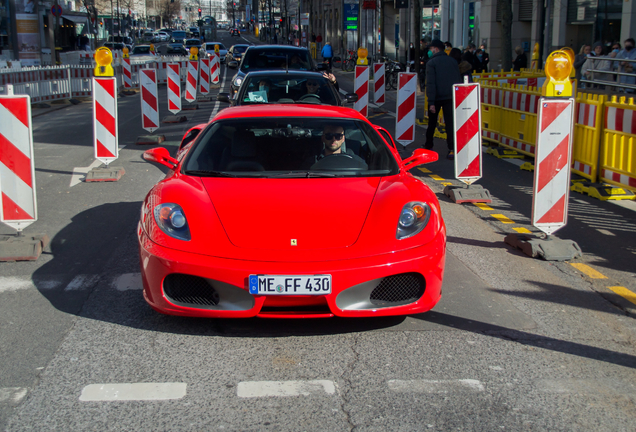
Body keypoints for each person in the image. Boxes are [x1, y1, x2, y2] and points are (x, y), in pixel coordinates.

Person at [425, 39, 462, 160]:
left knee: (432, 123)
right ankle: (452, 148)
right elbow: (457, 79)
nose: (430, 51)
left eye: (431, 49)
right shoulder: (452, 61)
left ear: (435, 49)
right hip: (451, 97)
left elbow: (431, 84)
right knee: (450, 124)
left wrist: (431, 102)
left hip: (436, 97)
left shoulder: (432, 63)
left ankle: (428, 145)